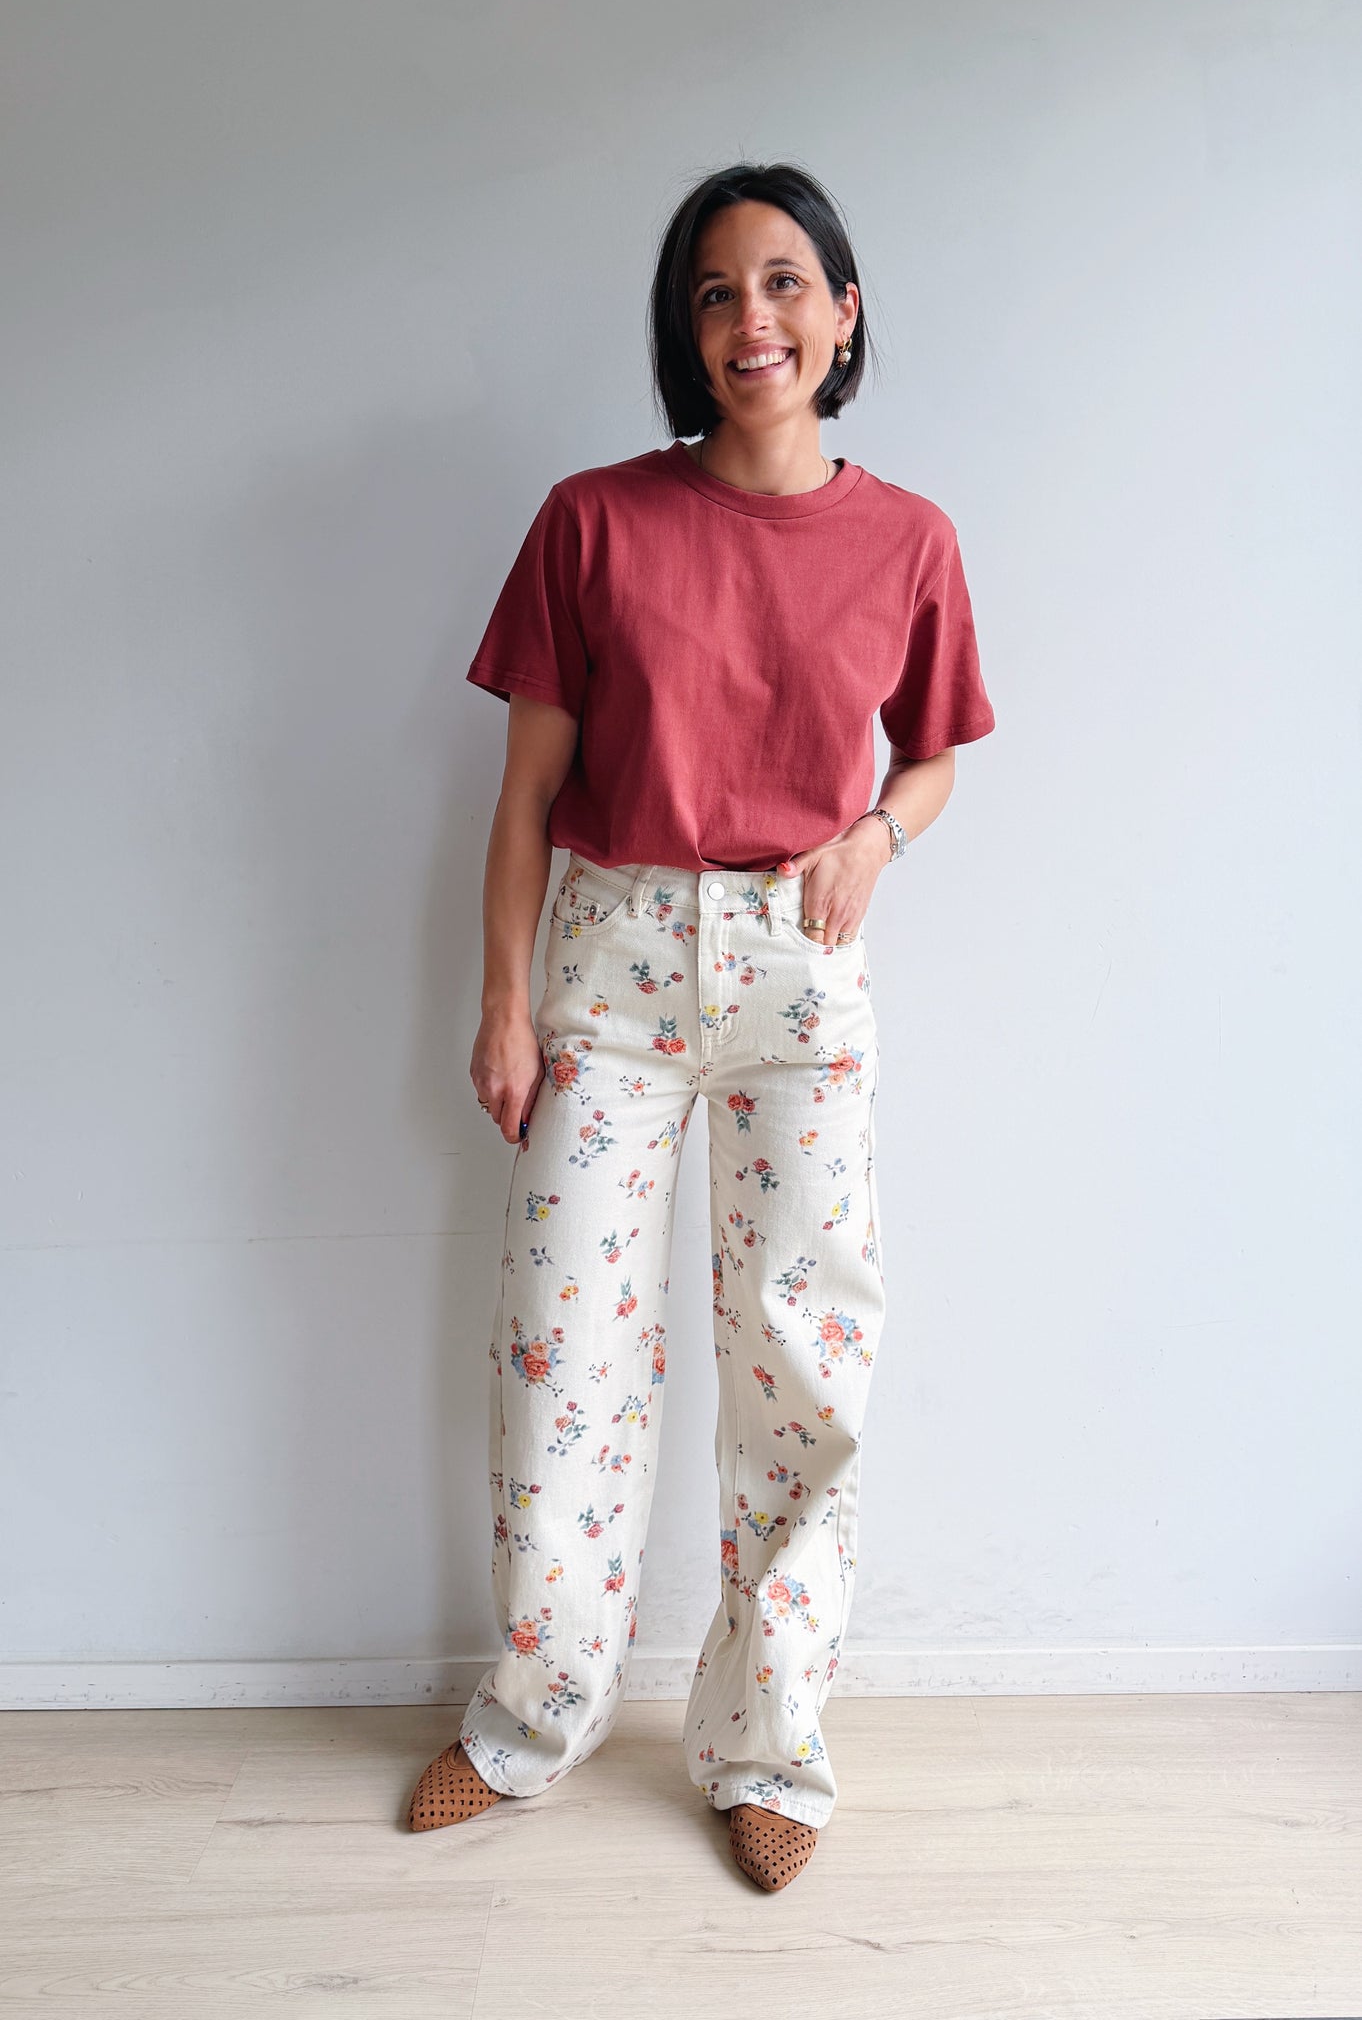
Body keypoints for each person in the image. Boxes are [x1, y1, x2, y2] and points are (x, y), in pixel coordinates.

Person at [408, 161, 996, 1891]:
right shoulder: (591, 522)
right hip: (606, 964)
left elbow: (933, 755)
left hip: (797, 969)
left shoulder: (909, 539)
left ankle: (767, 1746)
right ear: (688, 329)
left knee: (802, 1363)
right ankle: (530, 1721)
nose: (753, 319)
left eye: (785, 282)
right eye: (716, 292)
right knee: (563, 1354)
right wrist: (503, 1003)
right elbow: (524, 798)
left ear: (844, 314)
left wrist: (874, 838)